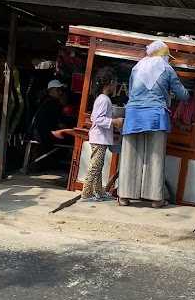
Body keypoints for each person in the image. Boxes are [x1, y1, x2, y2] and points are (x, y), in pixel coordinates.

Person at [118, 39, 189, 208]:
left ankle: (124, 196)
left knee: (130, 156)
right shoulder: (167, 69)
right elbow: (183, 95)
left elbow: (130, 92)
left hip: (133, 114)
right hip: (156, 115)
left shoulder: (136, 68)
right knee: (155, 157)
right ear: (164, 56)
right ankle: (156, 199)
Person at [81, 67, 123, 202]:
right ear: (109, 82)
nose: (116, 85)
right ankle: (86, 193)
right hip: (99, 138)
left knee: (98, 166)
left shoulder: (102, 98)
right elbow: (97, 119)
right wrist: (114, 121)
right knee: (95, 167)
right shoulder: (104, 99)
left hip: (100, 138)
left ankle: (99, 192)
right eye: (115, 82)